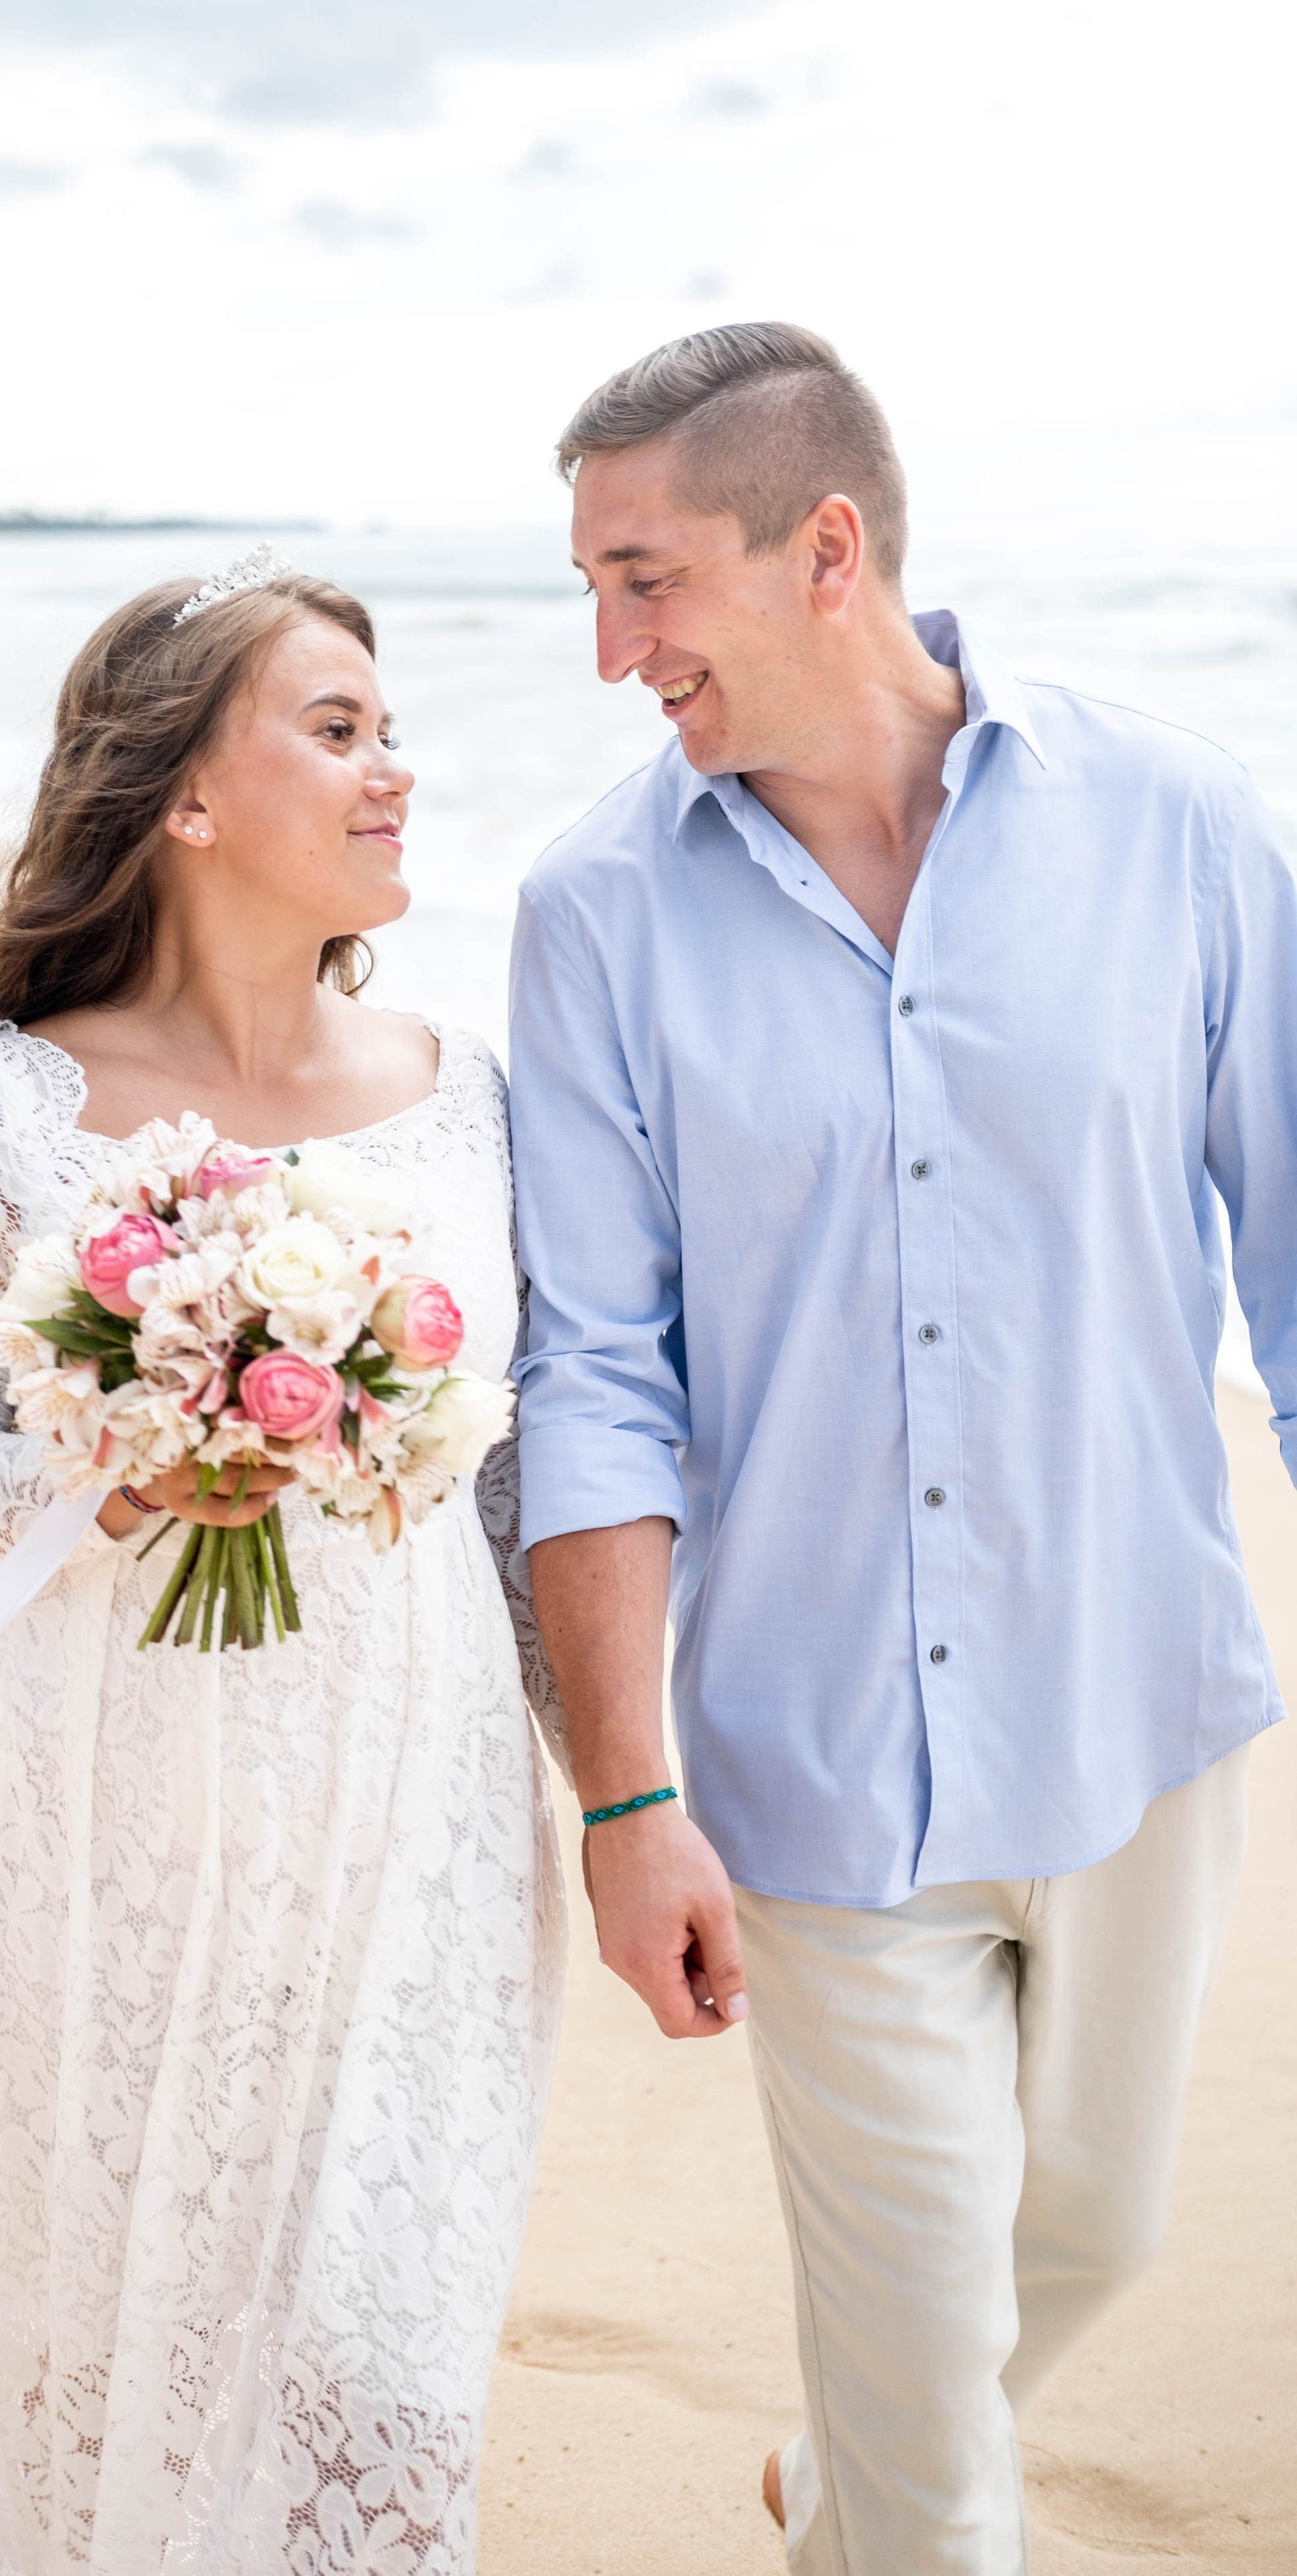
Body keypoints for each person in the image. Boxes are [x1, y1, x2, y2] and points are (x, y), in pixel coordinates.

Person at [509, 322, 1294, 2575]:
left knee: (1095, 2235)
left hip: (1141, 1703)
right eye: (593, 590)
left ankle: (840, 2464)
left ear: (825, 548)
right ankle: (887, 2482)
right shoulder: (596, 915)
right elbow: (598, 1378)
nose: (611, 651)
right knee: (943, 2445)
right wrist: (627, 1796)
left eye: (647, 581)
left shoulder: (1178, 827)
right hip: (820, 1757)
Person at [0, 561, 565, 2574]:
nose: (396, 770)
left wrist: (621, 1798)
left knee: (388, 2349)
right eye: (337, 731)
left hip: (418, 1816)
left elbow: (518, 1492)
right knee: (112, 2335)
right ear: (181, 794)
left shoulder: (470, 1102)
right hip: (116, 1819)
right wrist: (121, 1463)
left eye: (393, 729)